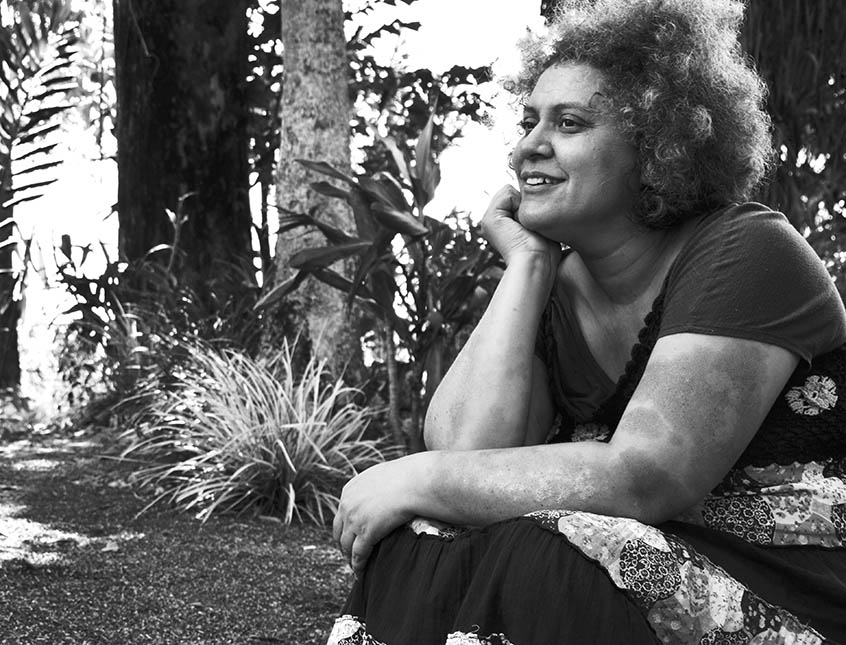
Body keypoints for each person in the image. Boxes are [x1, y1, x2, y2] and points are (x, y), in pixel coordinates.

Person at [328, 0, 846, 642]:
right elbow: (466, 453)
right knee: (419, 539)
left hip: (779, 577)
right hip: (629, 552)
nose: (528, 146)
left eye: (569, 123)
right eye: (529, 122)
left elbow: (646, 478)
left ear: (658, 147)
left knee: (551, 552)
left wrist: (414, 476)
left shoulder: (747, 250)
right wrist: (527, 267)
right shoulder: (555, 287)